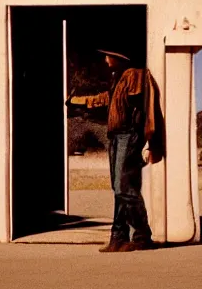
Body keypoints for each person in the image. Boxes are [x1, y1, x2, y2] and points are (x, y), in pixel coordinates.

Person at [67, 49, 164, 252]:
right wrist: (77, 101)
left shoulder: (134, 75)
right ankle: (118, 236)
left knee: (123, 188)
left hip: (129, 134)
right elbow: (106, 99)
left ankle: (142, 235)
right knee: (119, 189)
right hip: (117, 135)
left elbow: (139, 105)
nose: (105, 59)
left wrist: (148, 141)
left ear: (119, 57)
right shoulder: (120, 79)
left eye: (108, 56)